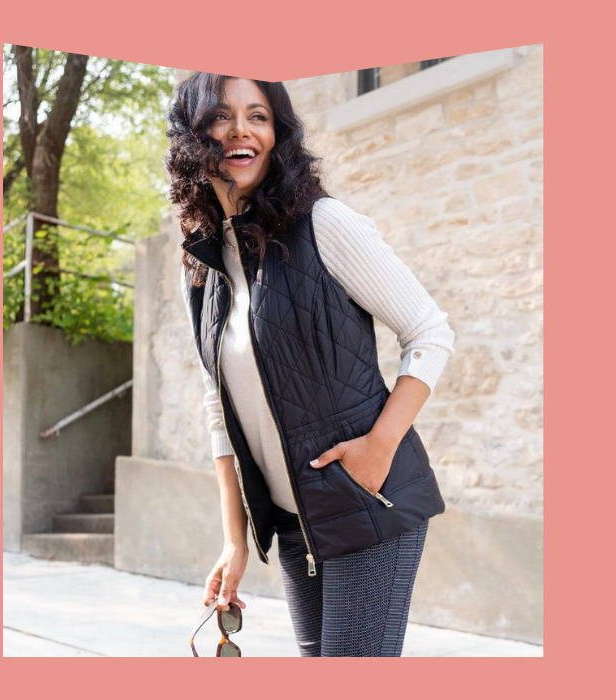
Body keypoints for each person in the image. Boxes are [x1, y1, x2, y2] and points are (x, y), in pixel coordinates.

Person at [168, 74, 456, 656]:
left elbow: (430, 331)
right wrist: (235, 540)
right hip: (295, 521)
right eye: (222, 116)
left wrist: (378, 449)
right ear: (193, 136)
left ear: (278, 133)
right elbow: (218, 406)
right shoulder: (202, 267)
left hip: (367, 501)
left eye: (259, 115)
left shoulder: (324, 224)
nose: (242, 130)